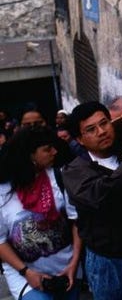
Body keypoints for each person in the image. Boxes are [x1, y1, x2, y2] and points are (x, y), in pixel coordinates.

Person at [61, 102, 122, 300]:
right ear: (80, 140)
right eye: (91, 129)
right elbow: (104, 196)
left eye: (104, 123)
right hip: (109, 263)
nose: (101, 132)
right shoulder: (75, 171)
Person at [0, 126, 83, 300]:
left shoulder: (59, 178)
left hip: (67, 267)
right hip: (23, 274)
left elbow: (76, 222)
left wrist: (75, 263)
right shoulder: (3, 191)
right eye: (47, 149)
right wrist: (26, 271)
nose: (54, 152)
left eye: (53, 147)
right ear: (30, 155)